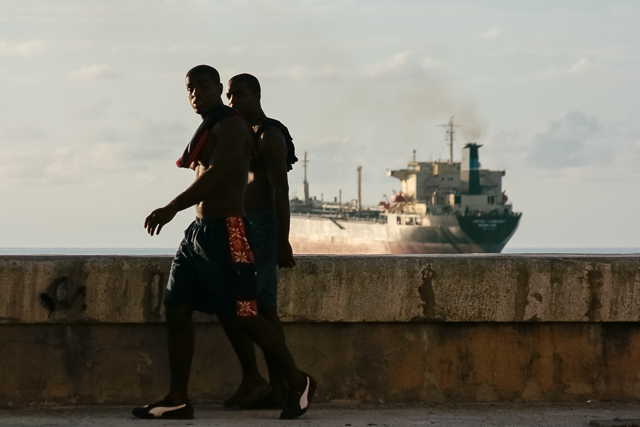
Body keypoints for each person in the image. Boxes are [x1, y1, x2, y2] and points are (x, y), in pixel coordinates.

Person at [133, 65, 315, 421]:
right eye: (190, 88)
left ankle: (297, 380)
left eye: (204, 86)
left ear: (218, 87)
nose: (196, 93)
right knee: (177, 307)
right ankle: (178, 398)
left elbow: (220, 174)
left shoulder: (233, 127)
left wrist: (170, 207)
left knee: (244, 313)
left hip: (228, 231)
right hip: (197, 234)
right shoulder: (210, 127)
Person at [221, 73, 298, 410]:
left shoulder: (270, 135)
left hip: (262, 229)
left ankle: (276, 382)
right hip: (241, 227)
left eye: (239, 95)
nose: (233, 101)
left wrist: (283, 240)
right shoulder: (241, 134)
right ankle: (278, 389)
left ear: (257, 95)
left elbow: (280, 190)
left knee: (242, 307)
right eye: (229, 95)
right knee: (266, 310)